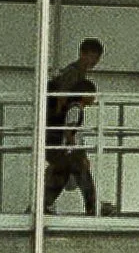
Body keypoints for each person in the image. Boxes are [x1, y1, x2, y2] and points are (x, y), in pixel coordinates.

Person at [43, 36, 103, 213]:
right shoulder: (73, 73)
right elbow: (61, 97)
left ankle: (45, 203)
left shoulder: (77, 73)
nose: (94, 62)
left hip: (58, 128)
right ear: (84, 54)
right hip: (56, 127)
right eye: (93, 57)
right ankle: (92, 206)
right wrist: (63, 121)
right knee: (73, 166)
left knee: (66, 168)